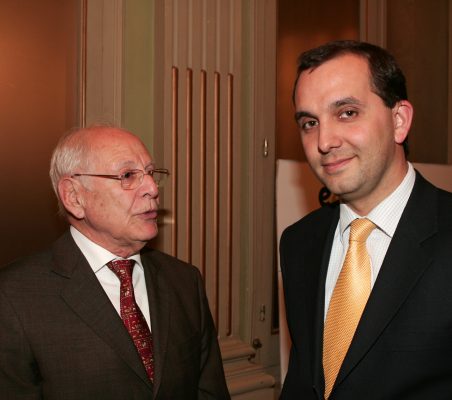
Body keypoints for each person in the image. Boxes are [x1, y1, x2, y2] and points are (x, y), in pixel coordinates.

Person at [0, 125, 231, 400]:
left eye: (151, 173)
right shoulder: (14, 297)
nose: (153, 188)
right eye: (128, 175)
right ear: (74, 196)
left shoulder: (184, 280)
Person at [279, 40, 452, 399]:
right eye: (309, 122)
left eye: (347, 113)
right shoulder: (298, 242)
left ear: (399, 121)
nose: (324, 141)